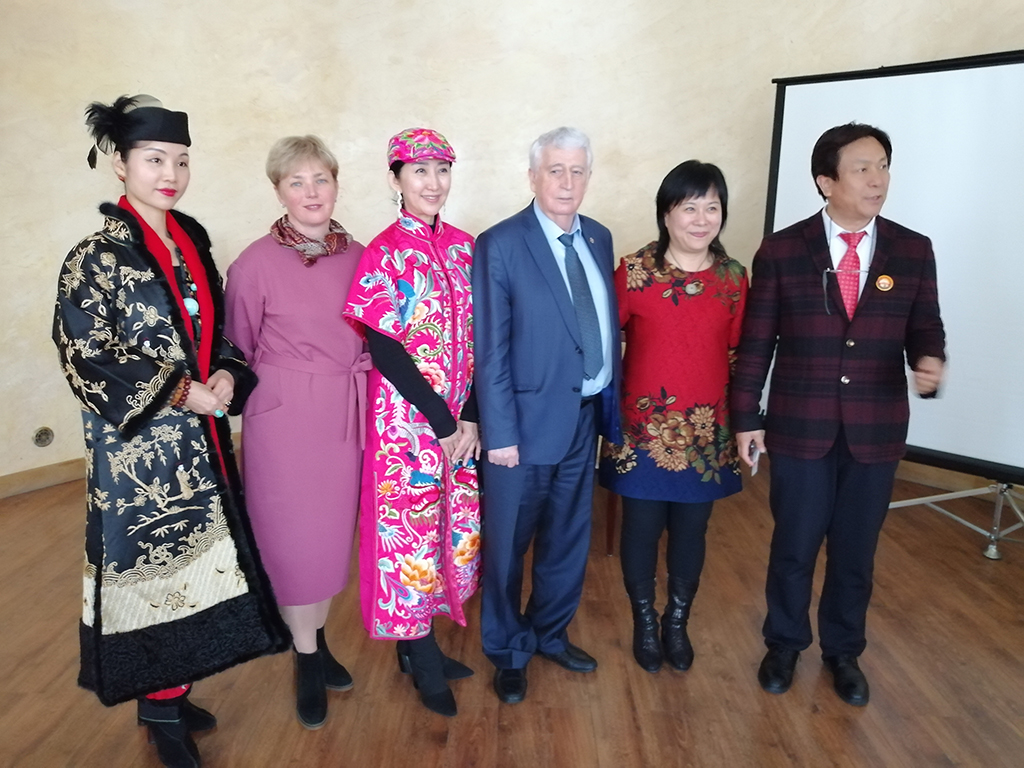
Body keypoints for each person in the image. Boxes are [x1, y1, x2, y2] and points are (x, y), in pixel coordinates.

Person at [52, 95, 290, 768]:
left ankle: (171, 693)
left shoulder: (191, 243)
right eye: (154, 159)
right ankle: (160, 706)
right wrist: (182, 391)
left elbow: (218, 333)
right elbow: (85, 354)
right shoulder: (95, 257)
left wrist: (227, 375)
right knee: (153, 569)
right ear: (119, 164)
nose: (171, 175)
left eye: (182, 161)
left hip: (201, 447)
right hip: (139, 459)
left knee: (202, 566)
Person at [731, 122, 946, 707]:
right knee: (794, 545)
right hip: (800, 425)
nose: (877, 180)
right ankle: (783, 644)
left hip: (876, 427)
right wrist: (747, 416)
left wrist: (928, 358)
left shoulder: (912, 249)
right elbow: (757, 341)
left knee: (856, 551)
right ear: (826, 181)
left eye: (883, 166)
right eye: (862, 168)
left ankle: (843, 652)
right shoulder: (782, 250)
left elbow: (925, 323)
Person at [474, 126, 622, 704]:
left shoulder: (599, 237)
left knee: (567, 539)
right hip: (522, 427)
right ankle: (508, 649)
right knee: (508, 547)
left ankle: (549, 635)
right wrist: (500, 434)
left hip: (583, 418)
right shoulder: (501, 243)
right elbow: (490, 349)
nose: (567, 181)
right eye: (555, 170)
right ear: (533, 176)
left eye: (577, 170)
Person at [223, 136, 367, 729]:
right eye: (296, 182)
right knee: (293, 540)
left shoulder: (362, 255)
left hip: (346, 412)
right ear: (278, 191)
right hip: (284, 418)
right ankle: (305, 658)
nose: (311, 193)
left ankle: (317, 640)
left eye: (320, 179)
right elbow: (236, 348)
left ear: (336, 184)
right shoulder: (254, 263)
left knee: (329, 539)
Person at [343, 128, 479, 718]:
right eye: (419, 170)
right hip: (407, 425)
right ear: (395, 178)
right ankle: (420, 656)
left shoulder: (467, 249)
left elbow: (483, 340)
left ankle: (417, 644)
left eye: (442, 169)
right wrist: (442, 420)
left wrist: (469, 416)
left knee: (450, 526)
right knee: (411, 534)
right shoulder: (384, 252)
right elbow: (386, 349)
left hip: (460, 424)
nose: (433, 182)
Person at [599, 160, 748, 673]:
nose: (702, 219)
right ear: (667, 213)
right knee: (640, 530)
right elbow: (601, 342)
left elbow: (739, 355)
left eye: (712, 207)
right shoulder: (635, 271)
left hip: (706, 433)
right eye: (690, 207)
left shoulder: (733, 278)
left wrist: (746, 423)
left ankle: (676, 622)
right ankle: (644, 621)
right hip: (642, 433)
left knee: (692, 532)